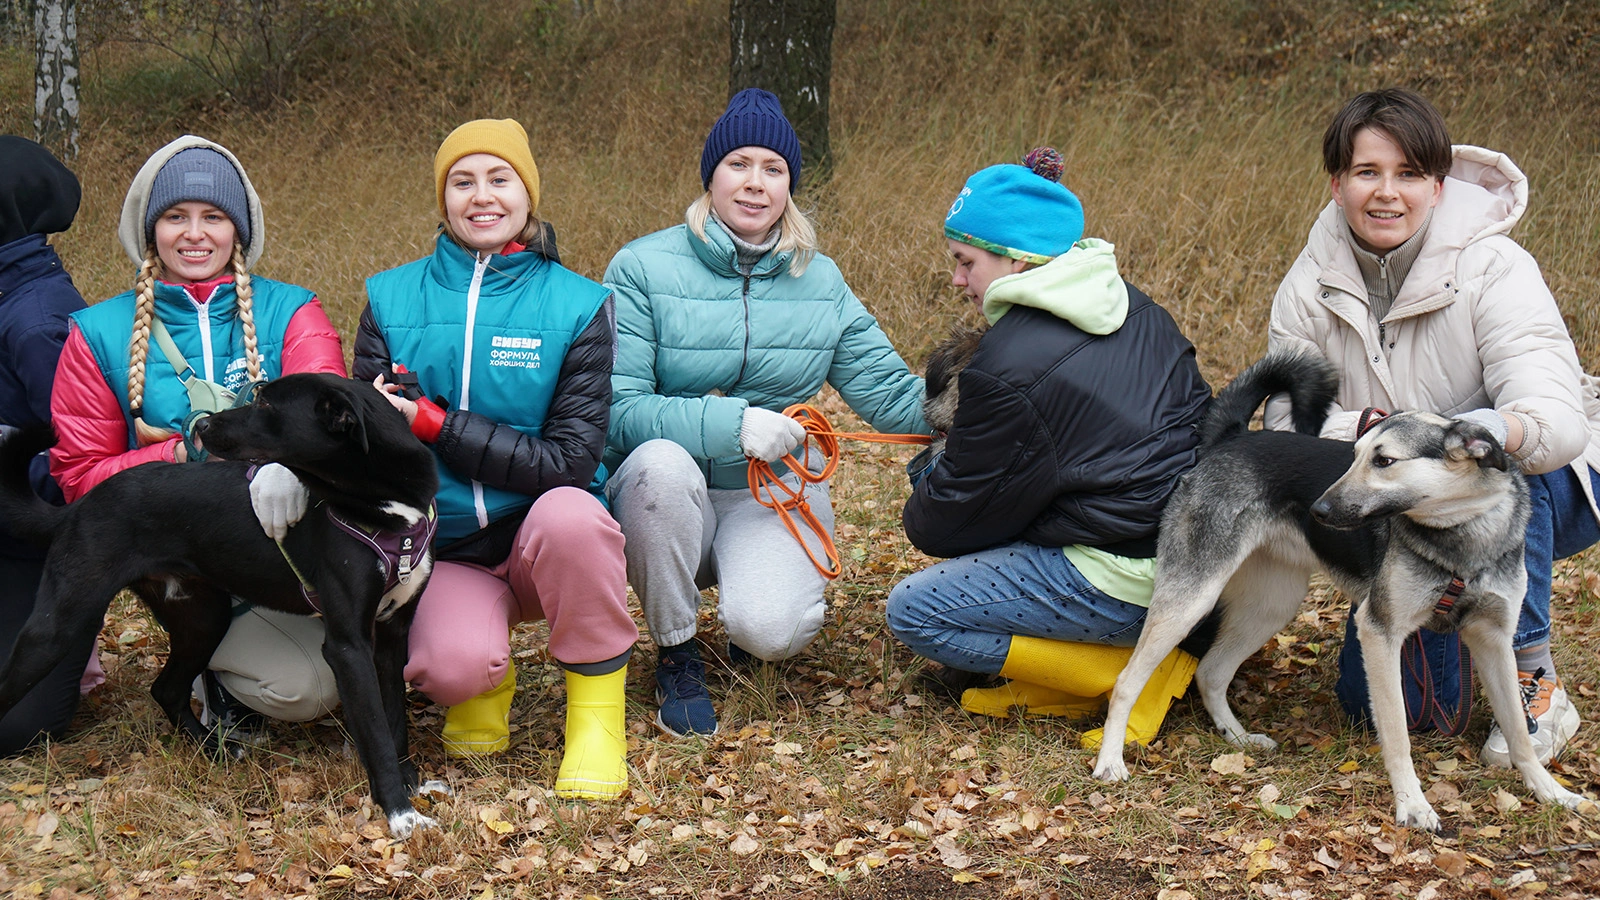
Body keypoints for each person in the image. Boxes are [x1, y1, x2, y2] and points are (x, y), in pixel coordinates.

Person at [1267, 87, 1596, 765]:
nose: (1388, 194)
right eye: (1367, 172)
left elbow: (1553, 422)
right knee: (1413, 715)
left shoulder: (1495, 267)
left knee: (1501, 477)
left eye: (1410, 174)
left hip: (1554, 483)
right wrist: (1371, 429)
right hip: (1405, 503)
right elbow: (1282, 424)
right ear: (1337, 183)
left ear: (1438, 187)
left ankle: (1534, 675)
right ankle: (1456, 622)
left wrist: (1474, 433)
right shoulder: (1307, 286)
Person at [604, 88, 929, 738]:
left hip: (770, 494)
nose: (755, 184)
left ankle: (749, 621)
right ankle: (676, 649)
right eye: (739, 164)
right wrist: (736, 425)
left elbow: (893, 397)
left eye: (773, 169)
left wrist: (998, 393)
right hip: (672, 500)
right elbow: (618, 409)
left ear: (790, 185)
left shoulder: (822, 280)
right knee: (659, 467)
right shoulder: (640, 267)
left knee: (775, 630)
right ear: (712, 175)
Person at [885, 149, 1213, 749]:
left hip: (1127, 579)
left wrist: (930, 469)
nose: (957, 280)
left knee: (913, 611)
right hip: (1200, 560)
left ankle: (1123, 673)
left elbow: (940, 525)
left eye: (965, 262)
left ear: (1017, 258)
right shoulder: (1138, 307)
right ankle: (1144, 649)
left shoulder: (1007, 364)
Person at [352, 119, 635, 800]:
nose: (482, 196)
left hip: (544, 533)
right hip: (446, 545)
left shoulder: (579, 303)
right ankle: (487, 678)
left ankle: (597, 722)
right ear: (442, 198)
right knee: (449, 669)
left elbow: (569, 460)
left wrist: (433, 423)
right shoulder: (390, 297)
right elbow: (361, 442)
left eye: (500, 178)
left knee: (575, 518)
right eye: (463, 181)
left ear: (527, 194)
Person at [49, 136, 347, 743]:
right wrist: (179, 455)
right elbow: (80, 479)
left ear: (238, 230)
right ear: (148, 228)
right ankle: (209, 664)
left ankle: (247, 651)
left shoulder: (293, 311)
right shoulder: (99, 333)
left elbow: (327, 430)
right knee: (308, 687)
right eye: (175, 217)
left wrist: (279, 462)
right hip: (184, 557)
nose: (194, 234)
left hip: (291, 551)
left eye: (213, 217)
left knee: (378, 652)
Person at [0, 136, 94, 754]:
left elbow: (77, 465)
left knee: (13, 729)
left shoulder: (39, 320)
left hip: (44, 554)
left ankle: (70, 655)